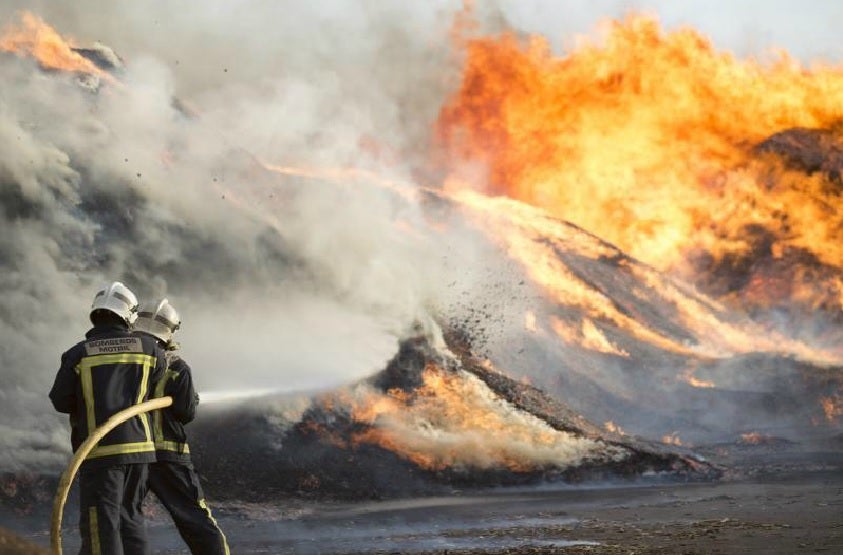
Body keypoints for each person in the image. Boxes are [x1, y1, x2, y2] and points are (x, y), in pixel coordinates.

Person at [49, 281, 167, 555]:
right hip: (140, 452)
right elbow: (156, 383)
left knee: (101, 524)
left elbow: (60, 401)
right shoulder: (150, 348)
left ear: (96, 313)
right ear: (128, 315)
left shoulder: (78, 353)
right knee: (131, 518)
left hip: (100, 451)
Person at [134, 298, 229, 555]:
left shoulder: (123, 364)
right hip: (168, 458)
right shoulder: (176, 366)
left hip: (128, 454)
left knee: (123, 521)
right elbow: (186, 413)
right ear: (170, 331)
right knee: (195, 520)